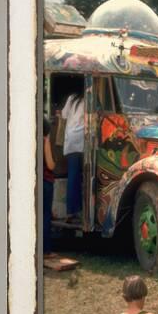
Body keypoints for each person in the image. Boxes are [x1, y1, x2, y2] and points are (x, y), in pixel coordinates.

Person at [62, 81, 85, 224]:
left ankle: (71, 211)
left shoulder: (71, 98)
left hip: (70, 139)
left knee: (73, 176)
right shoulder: (88, 98)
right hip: (82, 139)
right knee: (81, 177)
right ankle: (76, 211)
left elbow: (64, 115)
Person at [43, 117, 56, 257]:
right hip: (46, 182)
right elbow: (50, 164)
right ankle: (46, 250)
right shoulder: (44, 141)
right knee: (45, 216)